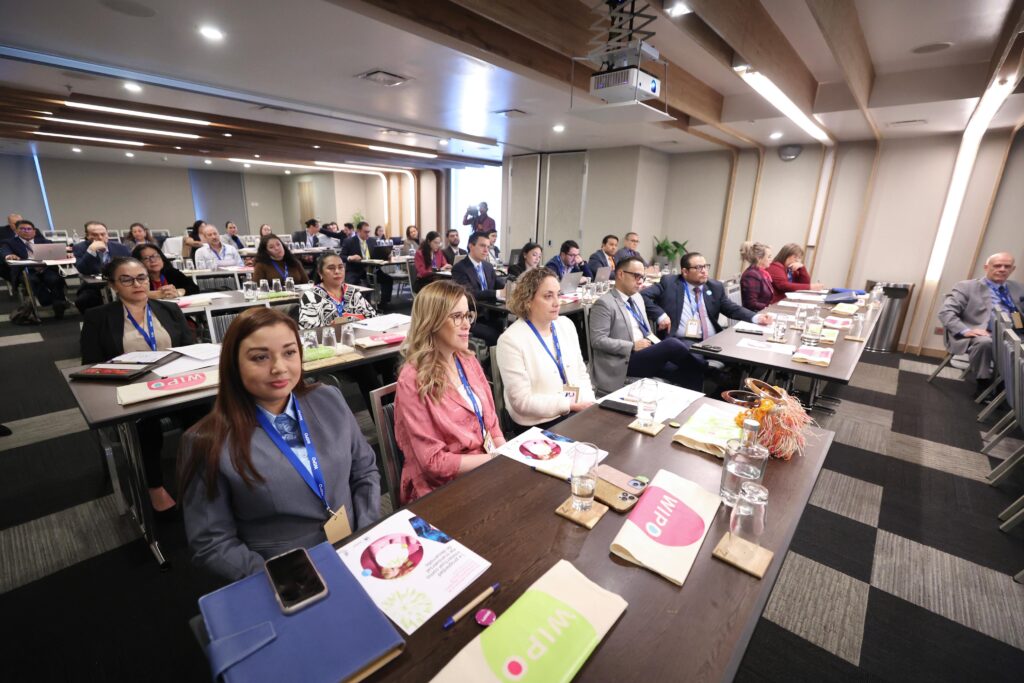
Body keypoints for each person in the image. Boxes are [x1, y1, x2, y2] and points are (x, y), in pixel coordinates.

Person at [179, 307, 381, 581]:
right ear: (234, 365)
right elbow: (212, 543)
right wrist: (278, 579)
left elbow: (365, 471)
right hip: (285, 574)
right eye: (260, 357)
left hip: (356, 550)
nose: (279, 367)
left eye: (289, 352)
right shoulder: (206, 442)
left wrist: (365, 534)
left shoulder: (328, 398)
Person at [81, 257, 199, 517]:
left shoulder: (168, 309)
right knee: (146, 426)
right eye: (126, 280)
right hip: (132, 388)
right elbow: (90, 364)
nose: (137, 284)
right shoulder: (98, 317)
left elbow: (189, 349)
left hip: (174, 384)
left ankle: (205, 474)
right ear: (113, 285)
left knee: (206, 414)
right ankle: (154, 486)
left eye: (141, 278)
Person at [394, 280, 506, 502]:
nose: (466, 325)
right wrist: (496, 459)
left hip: (484, 466)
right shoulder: (413, 379)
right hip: (441, 489)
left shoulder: (467, 360)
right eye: (457, 317)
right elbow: (433, 463)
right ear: (432, 321)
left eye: (467, 316)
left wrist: (506, 454)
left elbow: (492, 424)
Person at [496, 267, 595, 429]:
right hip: (538, 422)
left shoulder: (566, 325)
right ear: (528, 300)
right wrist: (569, 405)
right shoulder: (510, 340)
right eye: (548, 296)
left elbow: (581, 373)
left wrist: (591, 404)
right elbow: (522, 402)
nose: (557, 302)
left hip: (574, 410)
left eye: (558, 294)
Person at [590, 256, 704, 394]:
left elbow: (646, 331)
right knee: (672, 344)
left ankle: (695, 402)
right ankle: (710, 371)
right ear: (620, 274)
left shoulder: (637, 297)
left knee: (690, 372)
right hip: (623, 361)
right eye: (636, 276)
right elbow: (597, 340)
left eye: (642, 277)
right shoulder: (604, 303)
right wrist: (632, 346)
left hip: (644, 354)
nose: (640, 281)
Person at [642, 252, 773, 355]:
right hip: (682, 341)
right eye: (698, 268)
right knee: (696, 358)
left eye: (705, 266)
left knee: (745, 354)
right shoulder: (670, 283)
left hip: (712, 340)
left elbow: (732, 308)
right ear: (685, 272)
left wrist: (756, 317)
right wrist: (660, 315)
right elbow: (642, 295)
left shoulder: (714, 286)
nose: (704, 271)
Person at [938, 252, 1024, 396]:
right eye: (997, 265)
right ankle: (984, 384)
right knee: (985, 343)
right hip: (983, 333)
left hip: (1015, 332)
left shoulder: (1018, 288)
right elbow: (945, 312)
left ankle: (1008, 385)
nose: (1002, 269)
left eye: (1007, 266)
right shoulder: (967, 286)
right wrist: (966, 330)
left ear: (1012, 269)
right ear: (986, 267)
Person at [1, 219, 69, 317]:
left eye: (29, 229)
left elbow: (57, 252)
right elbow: (5, 251)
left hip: (45, 269)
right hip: (26, 271)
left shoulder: (44, 241)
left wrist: (65, 254)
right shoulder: (9, 243)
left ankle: (59, 304)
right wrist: (9, 256)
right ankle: (47, 301)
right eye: (22, 229)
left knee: (55, 279)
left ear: (34, 231)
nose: (26, 231)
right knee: (32, 280)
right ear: (16, 231)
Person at [451, 232, 505, 346]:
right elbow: (469, 294)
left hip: (491, 313)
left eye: (488, 247)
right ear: (471, 246)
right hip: (472, 317)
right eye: (482, 246)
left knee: (510, 328)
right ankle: (491, 357)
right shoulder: (459, 268)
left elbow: (498, 284)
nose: (486, 250)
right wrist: (497, 293)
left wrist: (509, 287)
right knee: (496, 336)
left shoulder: (488, 266)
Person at [298, 253, 377, 327]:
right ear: (320, 273)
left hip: (359, 334)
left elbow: (373, 317)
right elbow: (307, 327)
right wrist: (330, 327)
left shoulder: (352, 292)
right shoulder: (311, 295)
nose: (337, 271)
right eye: (331, 268)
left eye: (340, 267)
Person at [73, 221, 131, 312]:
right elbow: (82, 269)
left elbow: (131, 265)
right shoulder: (80, 248)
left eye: (103, 234)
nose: (100, 237)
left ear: (107, 234)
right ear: (87, 236)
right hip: (94, 286)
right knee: (83, 301)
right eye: (95, 235)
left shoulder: (120, 248)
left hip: (120, 283)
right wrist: (91, 251)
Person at [342, 221, 392, 308]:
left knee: (388, 280)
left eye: (369, 232)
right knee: (350, 284)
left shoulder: (372, 241)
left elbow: (377, 255)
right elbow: (341, 256)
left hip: (372, 270)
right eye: (365, 232)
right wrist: (350, 257)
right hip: (355, 270)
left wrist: (386, 255)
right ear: (358, 231)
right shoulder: (349, 241)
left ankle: (383, 304)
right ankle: (353, 307)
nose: (368, 234)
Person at [132, 243, 199, 299]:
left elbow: (195, 288)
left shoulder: (171, 273)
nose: (153, 260)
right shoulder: (137, 279)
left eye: (156, 256)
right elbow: (133, 295)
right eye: (146, 258)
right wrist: (156, 294)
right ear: (138, 262)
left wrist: (178, 292)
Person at [739, 241, 775, 312]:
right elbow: (751, 303)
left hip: (763, 312)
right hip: (754, 315)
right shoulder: (751, 275)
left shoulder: (761, 273)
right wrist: (770, 308)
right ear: (759, 258)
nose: (771, 259)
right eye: (769, 257)